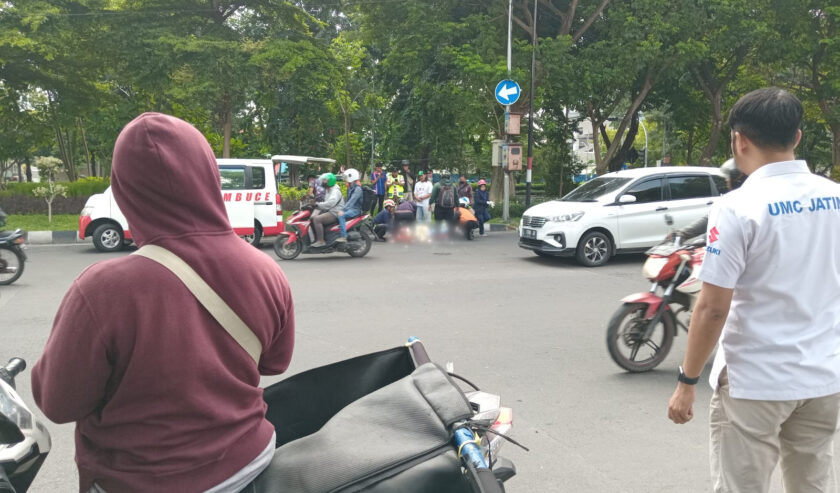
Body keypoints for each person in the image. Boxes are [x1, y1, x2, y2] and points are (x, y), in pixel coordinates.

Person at [30, 113, 295, 493]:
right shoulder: (265, 270)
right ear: (208, 174)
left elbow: (58, 403)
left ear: (125, 189)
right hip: (251, 464)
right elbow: (275, 362)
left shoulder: (102, 290)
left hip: (138, 481)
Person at [667, 88, 840, 492]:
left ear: (739, 140)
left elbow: (711, 308)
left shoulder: (737, 207)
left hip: (756, 383)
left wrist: (686, 381)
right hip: (824, 378)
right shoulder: (836, 198)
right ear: (797, 137)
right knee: (812, 484)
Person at [667, 159, 746, 242]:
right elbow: (710, 218)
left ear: (737, 179)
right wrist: (681, 234)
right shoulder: (731, 200)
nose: (726, 180)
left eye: (729, 177)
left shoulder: (736, 203)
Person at [312, 172, 344, 247]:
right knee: (313, 216)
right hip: (330, 210)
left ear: (330, 181)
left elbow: (330, 203)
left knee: (317, 219)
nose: (323, 182)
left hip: (335, 212)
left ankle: (321, 241)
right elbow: (325, 201)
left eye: (325, 180)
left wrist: (318, 205)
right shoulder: (329, 190)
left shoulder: (335, 191)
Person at [336, 168, 363, 243]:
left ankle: (343, 236)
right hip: (351, 209)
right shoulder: (351, 188)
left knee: (341, 215)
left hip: (356, 210)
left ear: (351, 177)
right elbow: (347, 202)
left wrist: (343, 210)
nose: (345, 180)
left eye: (347, 178)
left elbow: (351, 201)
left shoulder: (358, 189)